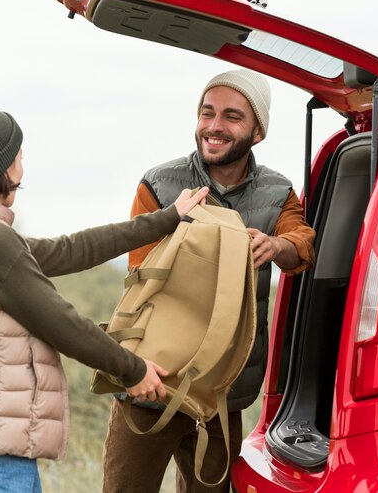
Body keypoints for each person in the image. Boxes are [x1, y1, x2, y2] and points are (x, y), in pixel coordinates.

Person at [0, 94, 208, 492]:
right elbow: (60, 322)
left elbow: (69, 250)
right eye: (18, 155)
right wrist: (132, 368)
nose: (23, 165)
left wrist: (165, 220)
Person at [101, 69, 316, 492]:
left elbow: (302, 245)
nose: (214, 126)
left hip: (223, 392)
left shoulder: (278, 192)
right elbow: (140, 275)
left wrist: (274, 246)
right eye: (207, 113)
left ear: (257, 131)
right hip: (153, 381)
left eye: (232, 116)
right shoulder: (159, 184)